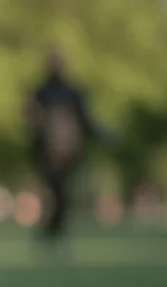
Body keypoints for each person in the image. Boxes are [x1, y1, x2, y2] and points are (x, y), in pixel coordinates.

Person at [24, 47, 104, 258]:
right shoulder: (39, 91)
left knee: (62, 196)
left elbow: (86, 120)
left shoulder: (73, 92)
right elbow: (30, 119)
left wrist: (104, 135)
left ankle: (50, 235)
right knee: (58, 194)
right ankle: (52, 236)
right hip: (45, 155)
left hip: (69, 155)